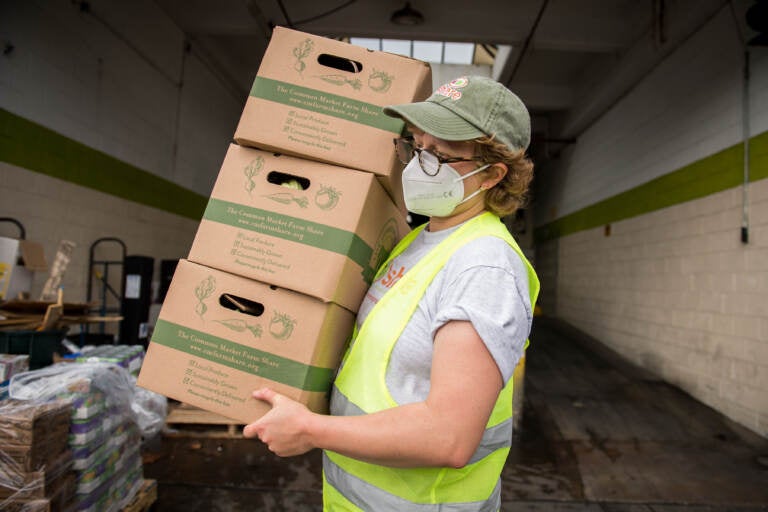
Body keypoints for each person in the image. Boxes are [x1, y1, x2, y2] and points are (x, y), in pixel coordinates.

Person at [243, 75, 540, 511]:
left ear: (493, 174)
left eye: (440, 155)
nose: (420, 164)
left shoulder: (484, 267)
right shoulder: (417, 241)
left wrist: (311, 429)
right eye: (418, 146)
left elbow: (449, 436)